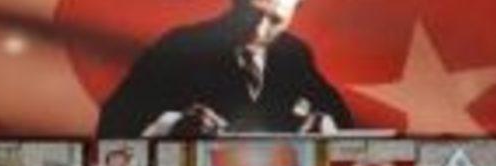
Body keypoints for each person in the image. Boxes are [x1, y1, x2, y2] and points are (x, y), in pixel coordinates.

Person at [97, 0, 353, 137]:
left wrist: (327, 123)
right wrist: (172, 126)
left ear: (294, 13)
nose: (258, 31)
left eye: (275, 20)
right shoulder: (181, 46)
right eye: (252, 14)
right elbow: (114, 123)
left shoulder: (294, 54)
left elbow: (341, 119)